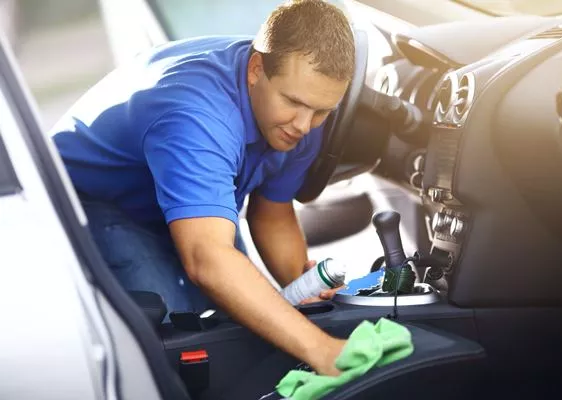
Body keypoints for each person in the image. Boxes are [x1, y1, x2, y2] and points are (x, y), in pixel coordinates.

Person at [51, 0, 355, 376]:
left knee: (251, 326)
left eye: (322, 111)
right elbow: (208, 259)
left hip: (184, 207)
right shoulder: (198, 115)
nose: (305, 125)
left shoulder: (302, 103)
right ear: (256, 69)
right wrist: (323, 350)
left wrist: (304, 286)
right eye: (294, 103)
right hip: (92, 203)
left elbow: (272, 213)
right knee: (180, 345)